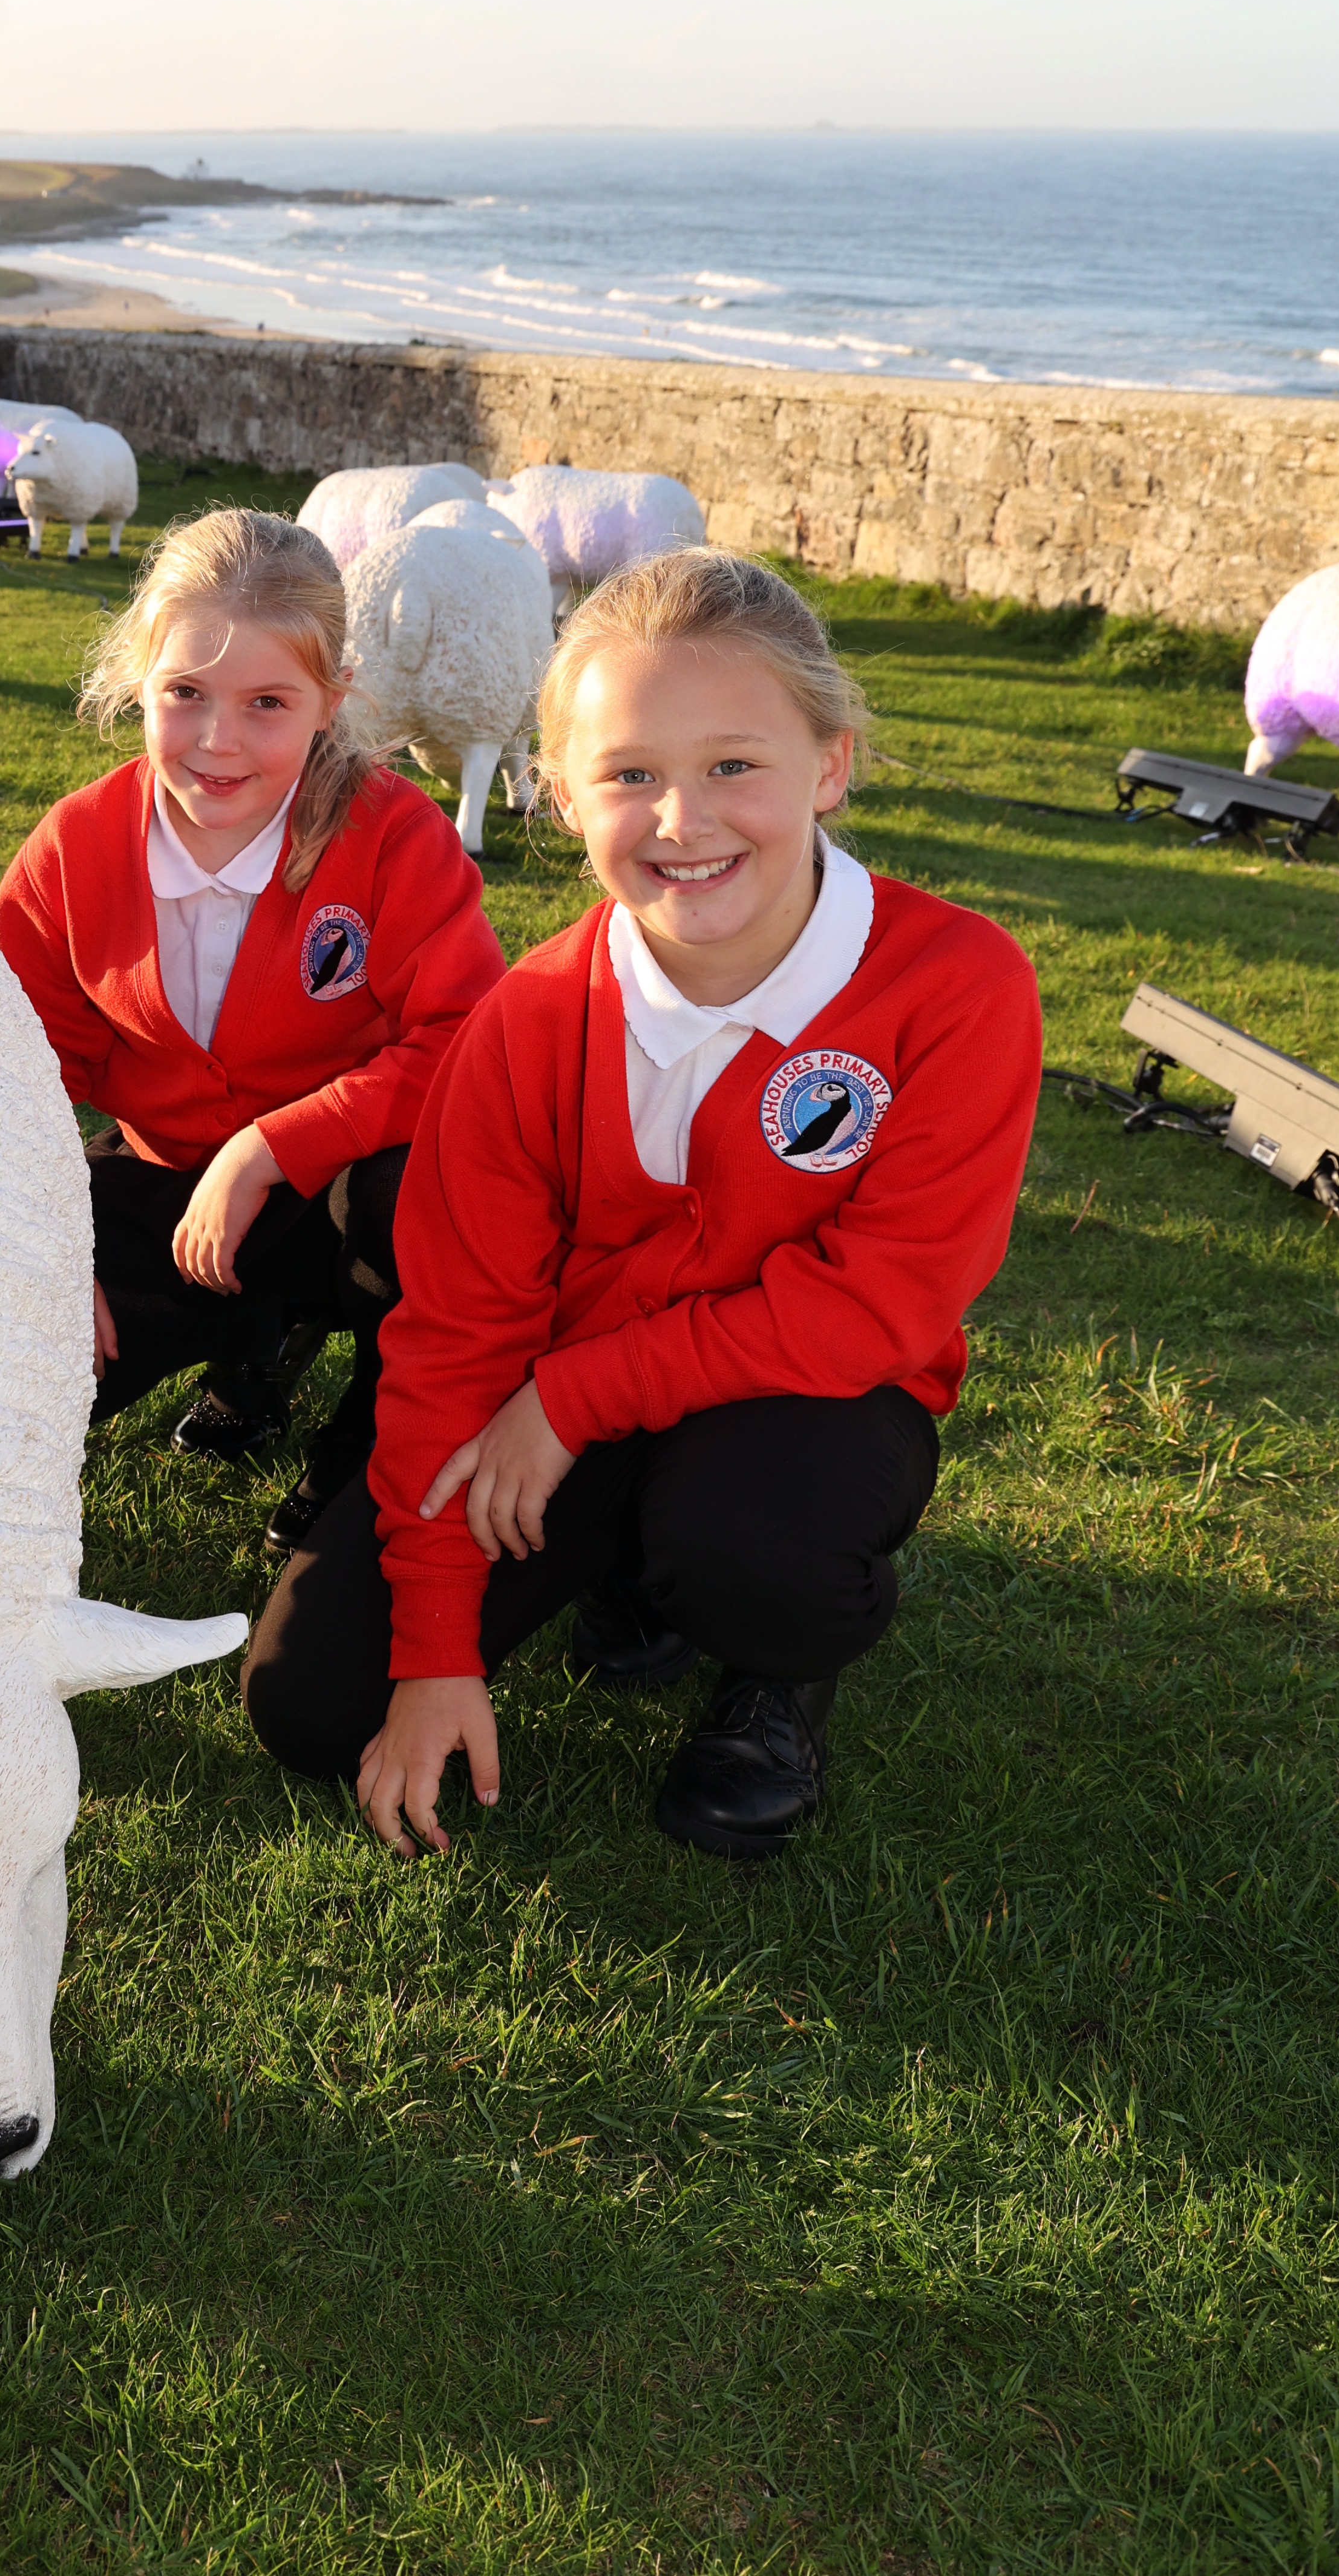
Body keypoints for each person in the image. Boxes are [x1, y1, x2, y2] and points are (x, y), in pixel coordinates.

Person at [243, 546, 1043, 1861]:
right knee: (311, 1702)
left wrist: (572, 1399)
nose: (683, 820)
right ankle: (624, 1565)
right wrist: (436, 1646)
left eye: (733, 764)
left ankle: (773, 1669)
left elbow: (882, 1303)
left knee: (754, 1539)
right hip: (558, 1405)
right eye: (628, 775)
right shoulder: (528, 1021)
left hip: (806, 1399)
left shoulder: (958, 983)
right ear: (561, 795)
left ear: (828, 765)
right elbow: (453, 1336)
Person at [0, 508, 507, 1552]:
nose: (218, 740)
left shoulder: (395, 837)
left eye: (267, 702)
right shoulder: (76, 848)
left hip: (338, 1200)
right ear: (140, 681)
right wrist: (42, 1250)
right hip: (166, 1189)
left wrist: (270, 1148)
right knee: (2, 1369)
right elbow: (1, 1070)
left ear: (330, 702)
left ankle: (361, 1456)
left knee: (423, 1197)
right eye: (186, 693)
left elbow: (465, 1039)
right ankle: (246, 1344)